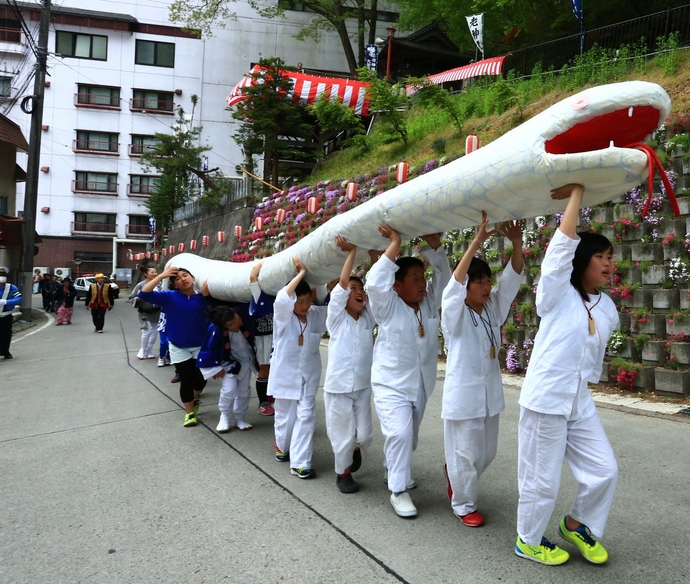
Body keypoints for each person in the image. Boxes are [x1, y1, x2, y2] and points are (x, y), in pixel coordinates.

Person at [515, 184, 619, 566]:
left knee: (604, 470)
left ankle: (576, 524)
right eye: (600, 256)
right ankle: (528, 539)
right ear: (581, 260)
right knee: (542, 480)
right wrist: (576, 193)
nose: (609, 263)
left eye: (611, 257)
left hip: (577, 398)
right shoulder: (556, 294)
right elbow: (559, 253)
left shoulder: (606, 306)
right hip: (546, 398)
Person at [441, 212, 524, 527]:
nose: (487, 286)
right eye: (479, 282)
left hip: (490, 395)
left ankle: (455, 474)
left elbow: (512, 281)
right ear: (467, 287)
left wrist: (516, 243)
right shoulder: (455, 315)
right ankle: (463, 504)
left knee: (485, 455)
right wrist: (477, 241)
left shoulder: (492, 309)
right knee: (466, 454)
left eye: (488, 280)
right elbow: (452, 289)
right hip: (464, 399)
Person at [365, 226, 451, 518]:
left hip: (421, 385)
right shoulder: (386, 307)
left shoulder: (428, 304)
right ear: (397, 286)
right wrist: (395, 244)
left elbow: (446, 282)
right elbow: (375, 283)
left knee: (408, 437)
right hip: (391, 385)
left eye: (422, 278)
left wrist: (435, 249)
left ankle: (393, 468)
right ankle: (398, 490)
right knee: (400, 434)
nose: (422, 284)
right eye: (415, 279)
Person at [324, 236, 376, 494]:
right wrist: (352, 253)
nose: (357, 292)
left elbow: (380, 291)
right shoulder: (336, 319)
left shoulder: (367, 319)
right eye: (352, 289)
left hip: (363, 387)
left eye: (360, 289)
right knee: (342, 436)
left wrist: (378, 258)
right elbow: (342, 286)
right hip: (339, 388)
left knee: (365, 435)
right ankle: (342, 473)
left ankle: (354, 450)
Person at [268, 256, 328, 479]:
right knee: (285, 415)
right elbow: (282, 299)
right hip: (285, 375)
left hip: (308, 377)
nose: (304, 306)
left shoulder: (314, 315)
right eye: (299, 302)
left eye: (307, 301)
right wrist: (301, 273)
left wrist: (325, 279)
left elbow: (331, 305)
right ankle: (282, 446)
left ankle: (300, 462)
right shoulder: (282, 318)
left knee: (306, 416)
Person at [138, 266, 210, 427]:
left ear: (193, 278)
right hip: (178, 346)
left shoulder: (203, 297)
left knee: (201, 378)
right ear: (175, 285)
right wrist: (162, 276)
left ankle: (195, 396)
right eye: (177, 278)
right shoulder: (169, 297)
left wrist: (208, 297)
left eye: (186, 276)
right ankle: (189, 413)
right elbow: (143, 293)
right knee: (186, 379)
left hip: (200, 345)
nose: (183, 279)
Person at [198, 305, 258, 433]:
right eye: (230, 325)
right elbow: (209, 349)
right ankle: (224, 416)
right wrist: (214, 367)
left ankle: (240, 418)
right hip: (228, 364)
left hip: (247, 361)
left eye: (235, 319)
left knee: (244, 391)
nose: (237, 323)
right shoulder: (216, 330)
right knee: (228, 390)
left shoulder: (243, 312)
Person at [249, 262, 275, 416]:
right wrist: (258, 269)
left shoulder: (279, 292)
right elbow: (253, 279)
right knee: (264, 368)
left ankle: (271, 394)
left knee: (275, 368)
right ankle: (262, 402)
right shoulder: (260, 295)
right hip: (262, 336)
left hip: (276, 335)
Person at [128, 265, 161, 360]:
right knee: (147, 331)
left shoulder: (159, 284)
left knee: (155, 332)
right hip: (145, 312)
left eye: (155, 272)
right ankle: (142, 350)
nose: (155, 274)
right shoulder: (140, 285)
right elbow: (131, 297)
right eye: (152, 272)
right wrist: (138, 298)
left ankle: (149, 350)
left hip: (157, 311)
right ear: (146, 274)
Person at [0, 266, 22, 359]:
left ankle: (5, 351)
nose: (1, 277)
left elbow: (19, 298)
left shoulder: (11, 287)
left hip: (6, 314)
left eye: (3, 275)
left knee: (6, 334)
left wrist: (7, 302)